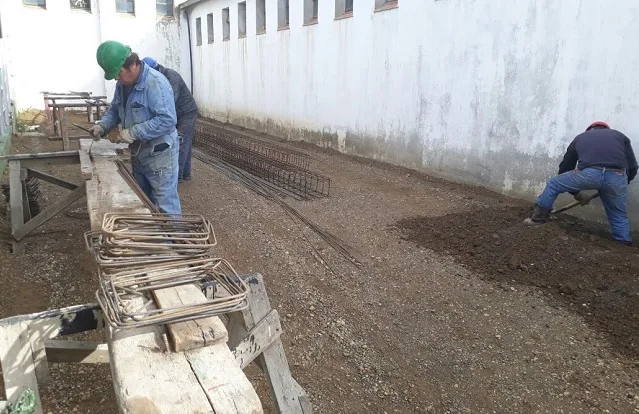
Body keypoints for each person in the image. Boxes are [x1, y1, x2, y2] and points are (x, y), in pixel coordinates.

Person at [89, 40, 181, 215]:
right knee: (143, 202)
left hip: (160, 154)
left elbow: (167, 119)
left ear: (133, 65)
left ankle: (173, 240)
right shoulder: (123, 85)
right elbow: (116, 109)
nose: (116, 78)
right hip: (139, 151)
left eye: (118, 73)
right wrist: (102, 126)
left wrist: (130, 134)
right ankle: (153, 241)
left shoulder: (155, 84)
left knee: (165, 206)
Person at [525, 121, 638, 245]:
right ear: (607, 129)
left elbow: (565, 168)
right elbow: (632, 166)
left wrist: (576, 193)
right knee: (618, 213)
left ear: (589, 130)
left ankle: (538, 219)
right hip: (617, 176)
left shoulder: (580, 138)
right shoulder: (620, 136)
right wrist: (623, 182)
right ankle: (622, 243)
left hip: (590, 174)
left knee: (553, 184)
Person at [142, 57, 198, 183]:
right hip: (177, 113)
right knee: (186, 143)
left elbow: (169, 101)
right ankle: (186, 174)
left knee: (180, 141)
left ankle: (175, 178)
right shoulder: (155, 78)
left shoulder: (172, 77)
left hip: (187, 113)